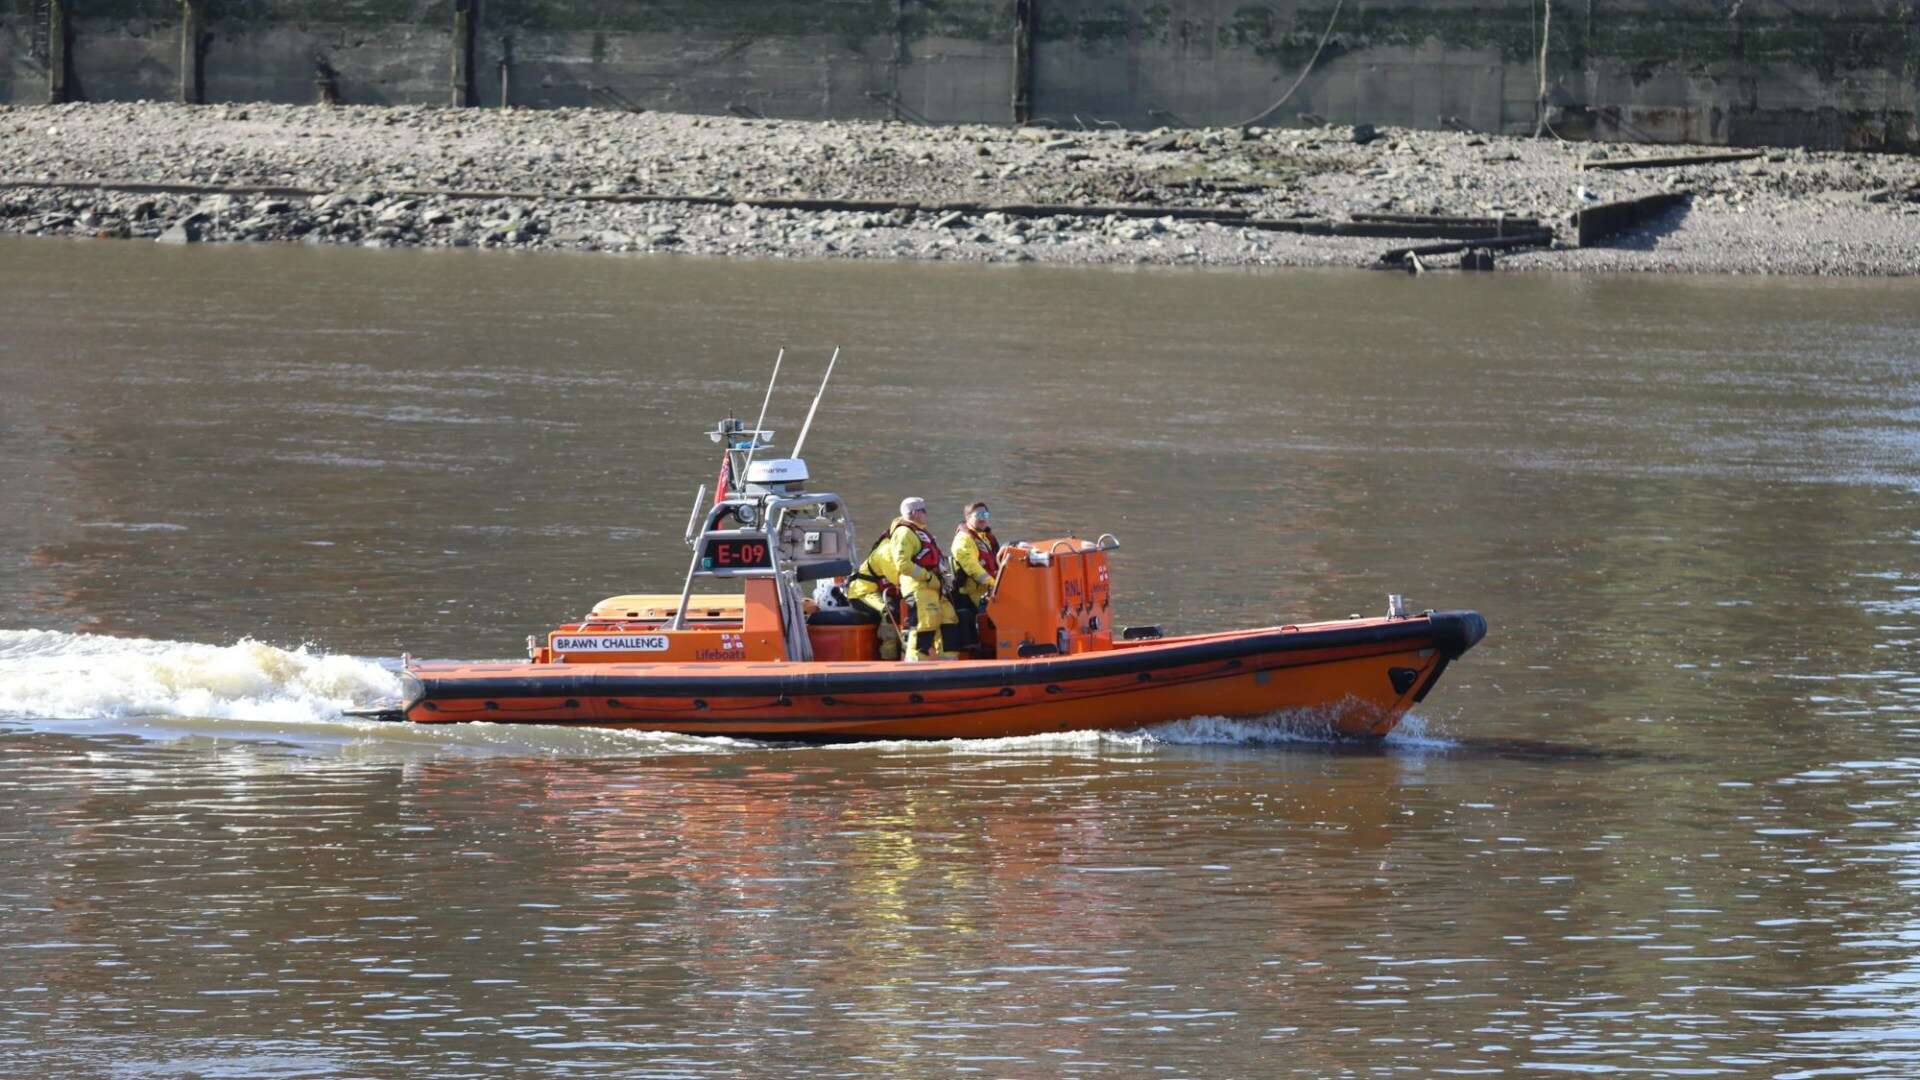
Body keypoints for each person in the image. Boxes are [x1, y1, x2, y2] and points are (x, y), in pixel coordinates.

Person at [845, 497, 957, 661]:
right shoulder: (887, 551)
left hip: (887, 589)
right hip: (863, 591)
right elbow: (899, 576)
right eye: (923, 511)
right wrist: (927, 578)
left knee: (939, 617)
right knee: (890, 611)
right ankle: (888, 657)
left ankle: (937, 656)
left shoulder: (912, 538)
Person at [947, 501, 1001, 654]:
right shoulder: (964, 540)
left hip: (987, 590)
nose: (983, 518)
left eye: (985, 515)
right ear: (967, 517)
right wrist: (994, 584)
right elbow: (973, 567)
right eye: (979, 515)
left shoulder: (984, 537)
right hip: (973, 594)